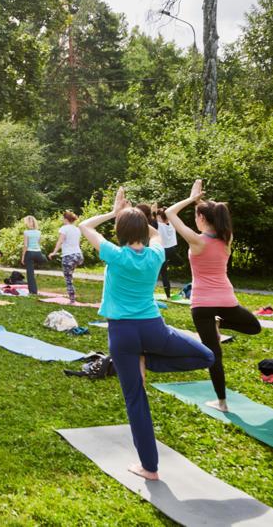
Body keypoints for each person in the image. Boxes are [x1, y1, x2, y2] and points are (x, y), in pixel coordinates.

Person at [79, 186, 214, 481]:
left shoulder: (114, 255)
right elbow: (153, 235)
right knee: (207, 356)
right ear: (144, 228)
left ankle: (149, 468)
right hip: (154, 329)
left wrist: (114, 213)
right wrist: (141, 219)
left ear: (120, 232)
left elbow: (84, 225)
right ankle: (150, 361)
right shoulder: (156, 255)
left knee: (136, 400)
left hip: (123, 336)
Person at [166, 180, 261, 412]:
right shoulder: (226, 238)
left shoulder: (196, 240)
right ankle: (222, 323)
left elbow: (169, 213)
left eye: (197, 216)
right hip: (226, 300)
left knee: (214, 354)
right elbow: (215, 215)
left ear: (201, 219)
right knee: (254, 327)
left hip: (202, 305)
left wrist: (191, 199)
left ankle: (222, 403)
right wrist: (200, 202)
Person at [49, 211, 83, 303]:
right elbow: (78, 243)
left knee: (68, 278)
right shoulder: (77, 229)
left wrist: (54, 252)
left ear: (65, 219)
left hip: (68, 256)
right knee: (70, 274)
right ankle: (72, 295)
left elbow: (60, 241)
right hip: (78, 255)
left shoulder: (64, 228)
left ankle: (72, 300)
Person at [21, 216, 48, 295]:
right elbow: (38, 243)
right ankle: (46, 258)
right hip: (38, 253)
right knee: (43, 258)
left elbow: (25, 245)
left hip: (29, 253)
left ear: (28, 223)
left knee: (30, 274)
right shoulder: (39, 232)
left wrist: (23, 257)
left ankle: (33, 292)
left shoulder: (26, 232)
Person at [155, 208, 178, 299]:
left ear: (160, 217)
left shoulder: (159, 225)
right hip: (172, 250)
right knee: (179, 263)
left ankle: (168, 295)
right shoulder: (172, 224)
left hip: (163, 251)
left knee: (163, 273)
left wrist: (153, 211)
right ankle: (168, 295)